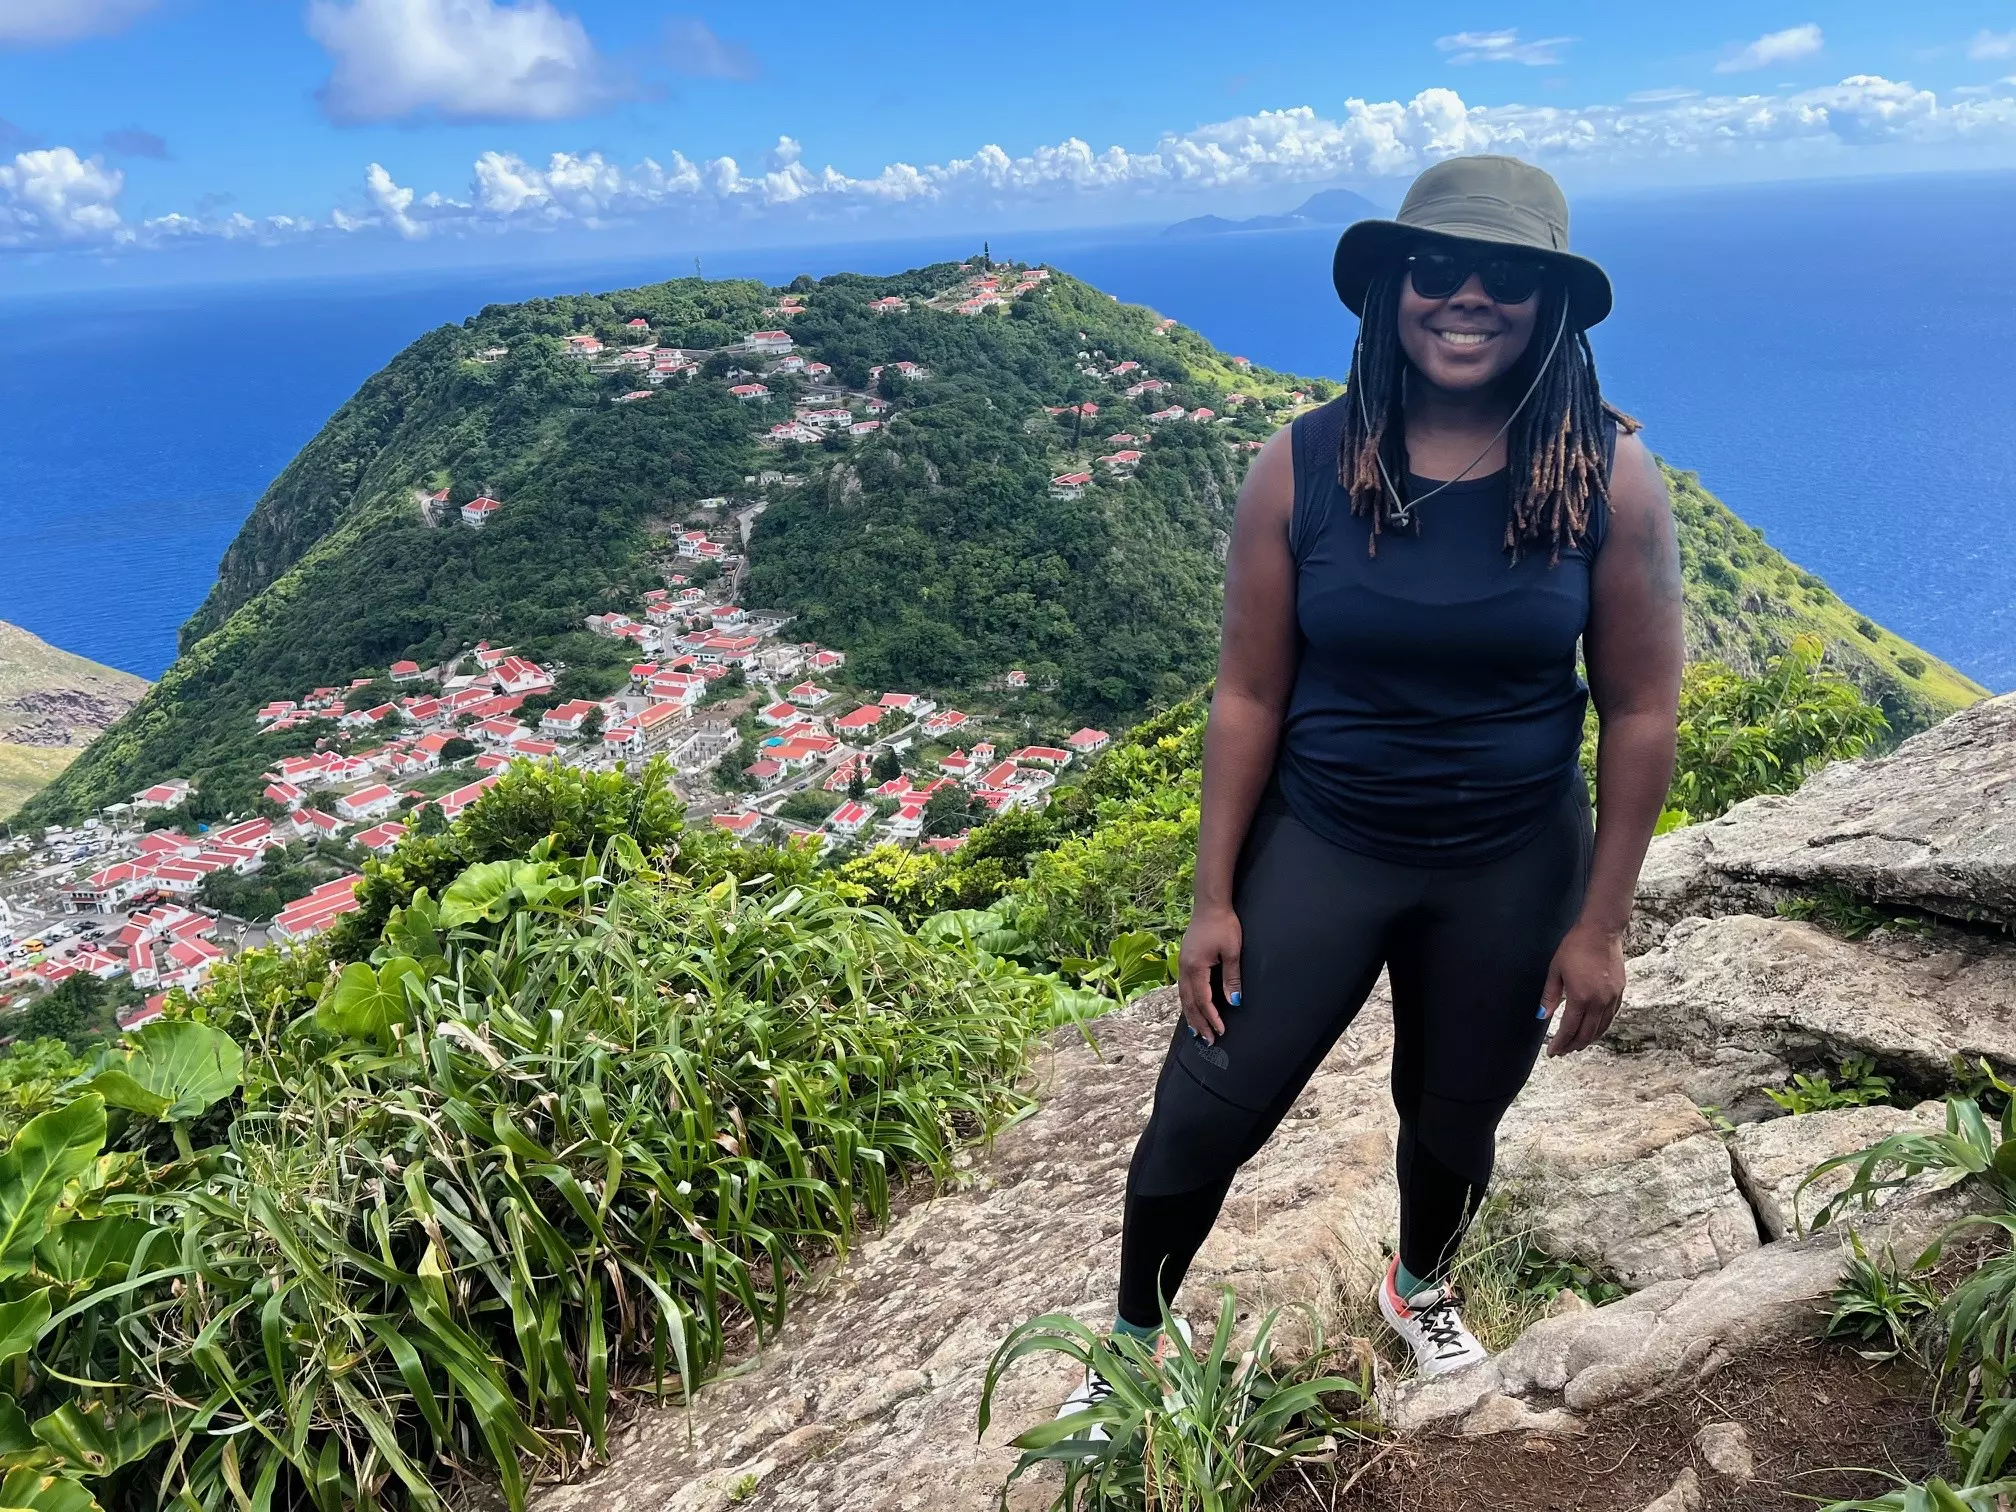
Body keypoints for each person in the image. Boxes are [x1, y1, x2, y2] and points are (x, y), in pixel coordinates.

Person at [1061, 154, 1683, 1417]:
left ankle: (1418, 1286)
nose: (1468, 296)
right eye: (1437, 267)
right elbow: (1248, 695)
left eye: (1506, 276)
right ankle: (1131, 1347)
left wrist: (1602, 926)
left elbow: (1641, 710)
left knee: (1457, 1116)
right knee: (1207, 1107)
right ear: (1393, 286)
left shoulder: (1608, 481)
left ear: (1550, 306)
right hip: (1327, 839)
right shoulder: (1302, 465)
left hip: (1512, 859)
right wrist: (1212, 898)